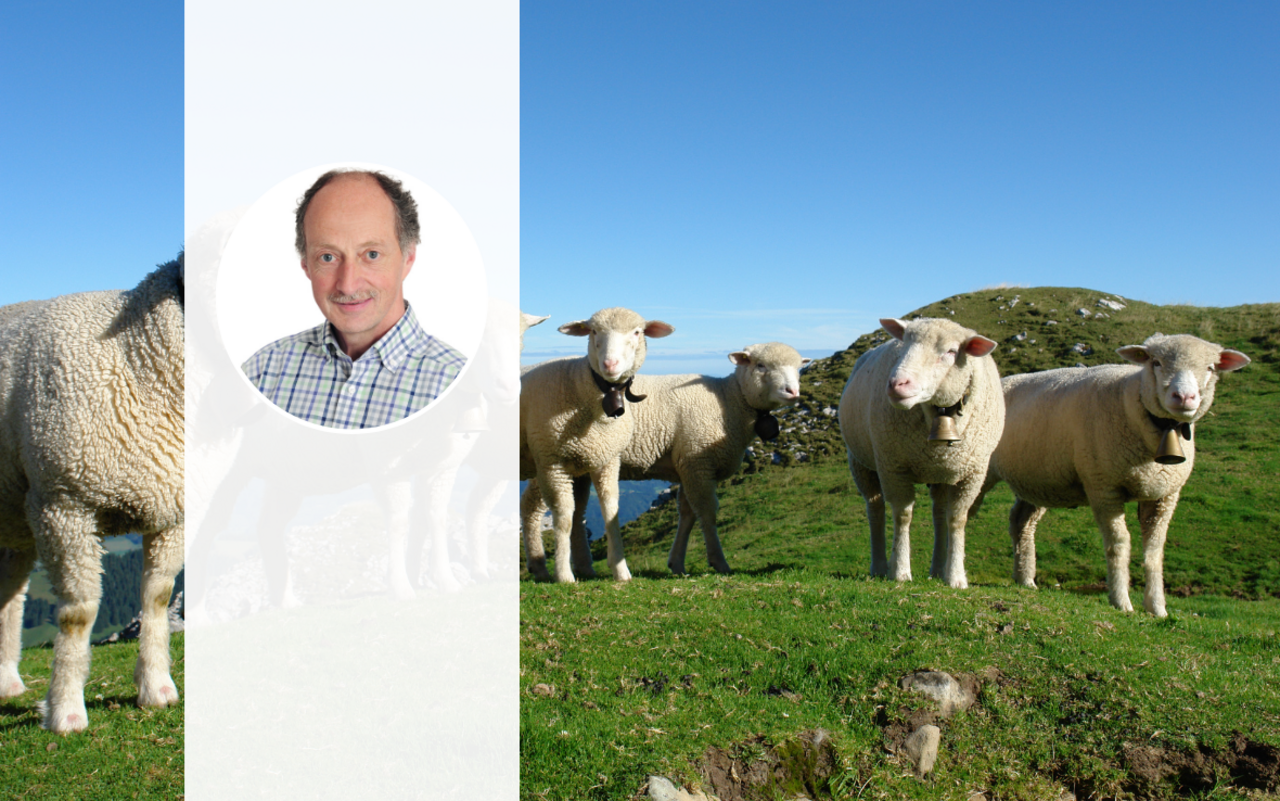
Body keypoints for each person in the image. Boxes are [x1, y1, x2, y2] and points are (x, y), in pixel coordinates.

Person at [242, 169, 466, 429]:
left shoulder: (458, 388)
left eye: (371, 254)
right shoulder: (262, 372)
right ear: (306, 265)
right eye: (327, 257)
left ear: (408, 258)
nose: (348, 285)